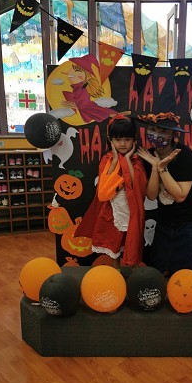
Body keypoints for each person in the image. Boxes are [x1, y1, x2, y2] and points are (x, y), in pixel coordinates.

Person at [135, 112, 192, 279]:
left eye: (163, 131)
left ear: (173, 134)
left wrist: (161, 168)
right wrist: (154, 167)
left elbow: (180, 196)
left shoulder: (184, 155)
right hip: (165, 222)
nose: (157, 134)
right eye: (153, 129)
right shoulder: (148, 156)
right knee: (160, 268)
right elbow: (151, 195)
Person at [74, 114, 148, 269]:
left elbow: (135, 185)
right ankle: (116, 273)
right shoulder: (107, 160)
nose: (123, 144)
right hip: (111, 210)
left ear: (134, 140)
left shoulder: (136, 161)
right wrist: (115, 160)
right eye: (118, 139)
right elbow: (104, 188)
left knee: (131, 241)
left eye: (127, 139)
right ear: (111, 140)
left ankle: (132, 274)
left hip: (131, 210)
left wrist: (127, 159)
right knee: (113, 244)